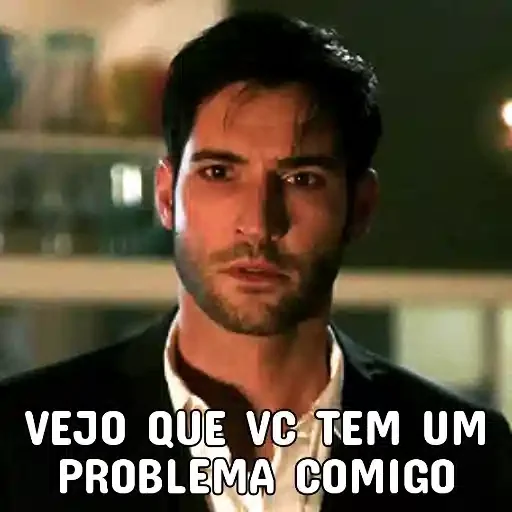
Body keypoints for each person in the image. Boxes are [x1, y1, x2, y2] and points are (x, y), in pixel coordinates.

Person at [1, 11, 510, 510]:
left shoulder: (465, 457)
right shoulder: (22, 441)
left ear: (360, 208)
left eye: (302, 179)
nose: (259, 223)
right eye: (219, 173)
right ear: (165, 196)